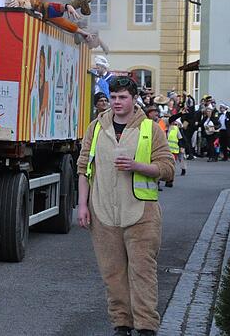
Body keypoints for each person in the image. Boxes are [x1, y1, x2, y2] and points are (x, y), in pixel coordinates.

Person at [77, 76, 174, 336]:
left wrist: (137, 166)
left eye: (123, 98)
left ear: (134, 100)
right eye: (113, 98)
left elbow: (167, 168)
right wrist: (82, 205)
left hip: (141, 213)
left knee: (142, 272)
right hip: (104, 213)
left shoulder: (150, 128)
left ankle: (146, 326)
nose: (117, 103)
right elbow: (84, 168)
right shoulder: (97, 127)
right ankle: (121, 324)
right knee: (113, 274)